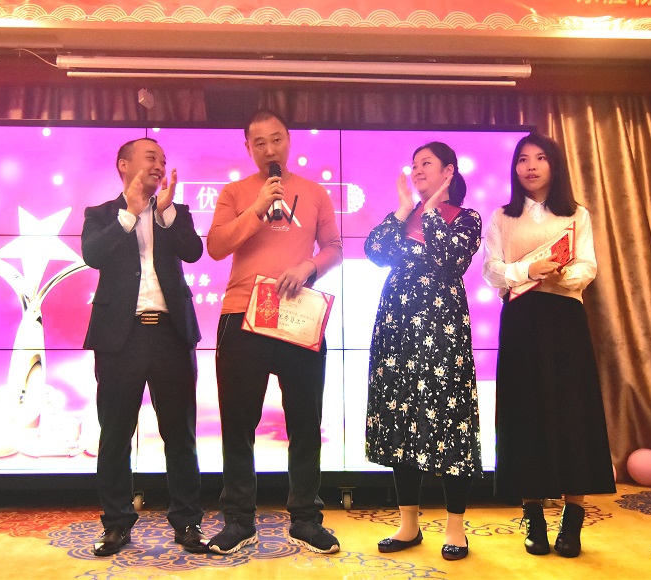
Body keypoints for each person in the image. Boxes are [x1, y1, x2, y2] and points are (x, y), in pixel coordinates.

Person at [205, 110, 343, 555]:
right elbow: (216, 246)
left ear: (289, 141)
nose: (270, 149)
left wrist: (308, 267)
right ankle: (238, 519)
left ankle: (305, 518)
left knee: (305, 421)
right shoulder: (235, 192)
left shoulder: (315, 192)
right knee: (238, 423)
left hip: (298, 316)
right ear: (248, 148)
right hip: (242, 315)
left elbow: (335, 248)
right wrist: (258, 207)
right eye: (260, 142)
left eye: (277, 139)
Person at [482, 132, 616, 559]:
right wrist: (529, 270)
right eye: (523, 159)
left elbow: (588, 266)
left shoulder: (576, 214)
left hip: (565, 320)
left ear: (554, 166)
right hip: (521, 320)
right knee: (524, 414)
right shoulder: (502, 216)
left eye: (540, 158)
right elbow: (491, 270)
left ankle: (573, 521)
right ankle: (534, 519)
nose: (531, 166)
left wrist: (561, 274)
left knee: (572, 413)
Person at [81, 137, 208, 556]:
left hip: (171, 334)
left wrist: (166, 212)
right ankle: (116, 524)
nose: (159, 166)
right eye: (151, 157)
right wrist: (130, 214)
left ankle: (187, 522)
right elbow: (93, 255)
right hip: (121, 337)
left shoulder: (176, 212)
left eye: (163, 160)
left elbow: (194, 252)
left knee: (180, 434)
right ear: (124, 164)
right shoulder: (101, 214)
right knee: (116, 434)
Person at [364, 142, 484, 562]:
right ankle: (408, 524)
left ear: (449, 171)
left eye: (426, 164)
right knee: (401, 416)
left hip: (442, 328)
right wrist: (403, 208)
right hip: (396, 329)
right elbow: (374, 251)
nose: (416, 170)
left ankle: (455, 527)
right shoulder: (406, 216)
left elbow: (450, 259)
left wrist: (430, 209)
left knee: (451, 418)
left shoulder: (465, 218)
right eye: (413, 164)